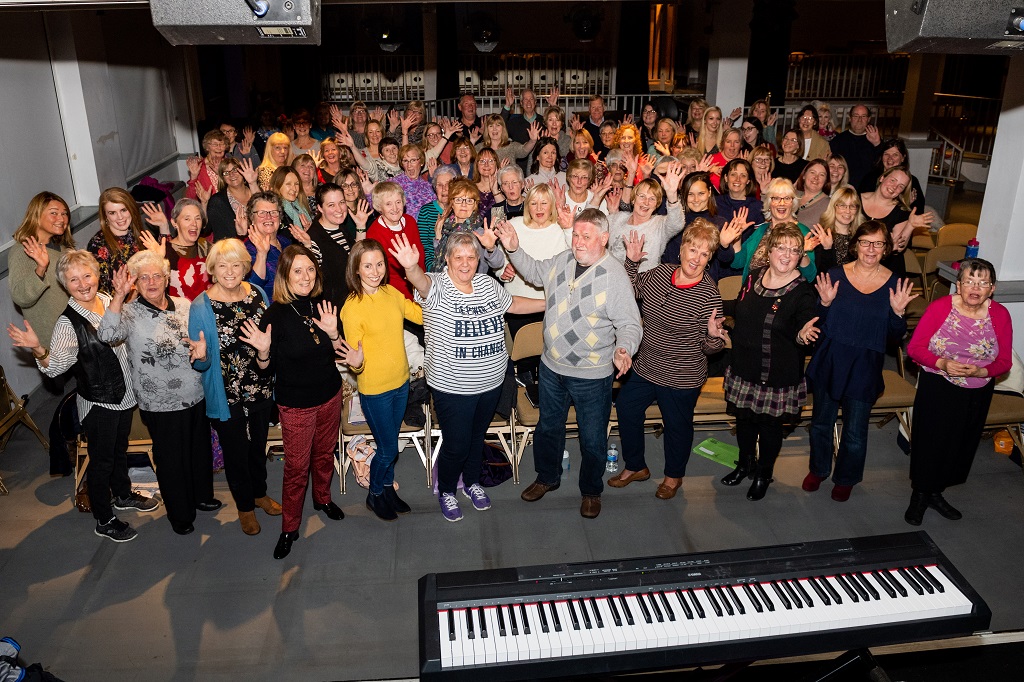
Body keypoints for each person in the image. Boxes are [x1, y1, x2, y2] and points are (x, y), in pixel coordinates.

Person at [494, 209, 643, 519]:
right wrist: (513, 247)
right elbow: (534, 272)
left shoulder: (614, 276)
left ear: (604, 239)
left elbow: (630, 323)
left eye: (586, 237)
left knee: (592, 438)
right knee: (548, 428)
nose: (578, 242)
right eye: (575, 235)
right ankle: (547, 477)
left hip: (592, 375)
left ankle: (590, 490)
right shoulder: (563, 260)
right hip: (551, 368)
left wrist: (624, 349)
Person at [391, 231, 545, 521]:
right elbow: (421, 282)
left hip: (491, 383)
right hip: (452, 388)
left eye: (471, 257)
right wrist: (411, 268)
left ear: (478, 260)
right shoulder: (437, 286)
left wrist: (549, 302)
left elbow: (512, 305)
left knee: (476, 439)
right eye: (458, 257)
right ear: (447, 259)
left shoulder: (487, 284)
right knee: (456, 444)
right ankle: (448, 489)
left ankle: (472, 482)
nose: (465, 263)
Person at [8, 250, 157, 543]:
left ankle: (124, 495)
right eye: (73, 279)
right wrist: (40, 350)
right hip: (99, 403)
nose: (82, 283)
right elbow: (57, 369)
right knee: (101, 462)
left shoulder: (105, 300)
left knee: (118, 450)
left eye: (87, 275)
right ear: (65, 285)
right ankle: (104, 519)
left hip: (125, 396)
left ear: (97, 275)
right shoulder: (68, 323)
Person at [97, 251, 217, 535]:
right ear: (135, 283)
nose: (151, 282)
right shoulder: (128, 313)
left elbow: (203, 344)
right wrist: (117, 296)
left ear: (167, 279)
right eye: (144, 277)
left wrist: (203, 353)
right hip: (160, 402)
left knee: (199, 451)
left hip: (195, 393)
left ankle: (201, 496)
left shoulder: (186, 305)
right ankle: (181, 516)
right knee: (172, 461)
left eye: (157, 276)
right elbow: (107, 335)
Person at [608, 220, 728, 499]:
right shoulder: (661, 274)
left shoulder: (709, 295)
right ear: (682, 249)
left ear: (709, 258)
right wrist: (632, 261)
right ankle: (636, 466)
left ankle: (674, 476)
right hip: (647, 364)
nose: (696, 258)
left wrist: (713, 336)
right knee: (626, 408)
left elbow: (711, 349)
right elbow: (631, 290)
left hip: (681, 375)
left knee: (677, 426)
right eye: (692, 249)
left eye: (703, 253)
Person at [803, 221, 918, 501]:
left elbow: (894, 338)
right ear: (856, 245)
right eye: (866, 242)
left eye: (878, 243)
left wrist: (898, 314)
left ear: (886, 248)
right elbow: (819, 324)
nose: (871, 249)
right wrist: (825, 304)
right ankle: (818, 469)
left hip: (865, 363)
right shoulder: (834, 275)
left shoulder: (894, 284)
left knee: (855, 430)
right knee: (820, 422)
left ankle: (846, 477)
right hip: (831, 358)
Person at [252, 245, 346, 559]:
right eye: (297, 271)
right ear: (285, 276)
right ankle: (290, 527)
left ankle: (322, 498)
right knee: (295, 468)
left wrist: (334, 334)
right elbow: (262, 369)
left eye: (309, 269)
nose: (305, 277)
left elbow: (339, 349)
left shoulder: (324, 304)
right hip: (296, 406)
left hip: (330, 396)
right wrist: (264, 354)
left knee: (324, 455)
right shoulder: (275, 314)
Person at [904, 258, 1013, 525]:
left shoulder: (1000, 315)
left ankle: (936, 493)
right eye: (968, 281)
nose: (975, 288)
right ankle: (919, 495)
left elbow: (1004, 362)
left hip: (976, 391)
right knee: (929, 442)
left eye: (982, 282)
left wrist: (980, 372)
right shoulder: (940, 307)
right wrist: (942, 363)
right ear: (958, 284)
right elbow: (915, 349)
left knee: (958, 444)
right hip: (938, 385)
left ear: (992, 288)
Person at [189, 238, 281, 535]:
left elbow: (268, 337)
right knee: (236, 451)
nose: (230, 271)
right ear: (212, 270)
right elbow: (200, 363)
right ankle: (244, 508)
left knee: (257, 447)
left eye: (236, 265)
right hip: (226, 393)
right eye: (222, 266)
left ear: (245, 267)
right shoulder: (201, 306)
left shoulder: (255, 293)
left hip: (259, 385)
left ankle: (259, 493)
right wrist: (200, 358)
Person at [720, 223, 819, 500]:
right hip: (744, 367)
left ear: (801, 255)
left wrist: (803, 334)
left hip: (776, 374)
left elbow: (804, 328)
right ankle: (744, 464)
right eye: (781, 247)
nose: (787, 255)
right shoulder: (753, 277)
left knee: (770, 427)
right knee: (745, 422)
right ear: (770, 249)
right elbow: (739, 311)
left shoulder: (802, 291)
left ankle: (763, 473)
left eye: (794, 250)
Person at [337, 239, 423, 521]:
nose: (375, 271)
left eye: (379, 264)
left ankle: (387, 488)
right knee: (386, 449)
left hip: (401, 383)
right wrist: (357, 364)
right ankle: (375, 494)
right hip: (375, 391)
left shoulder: (392, 294)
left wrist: (443, 300)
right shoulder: (352, 308)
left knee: (390, 443)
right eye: (367, 266)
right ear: (356, 270)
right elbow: (356, 360)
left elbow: (420, 316)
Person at [9, 192, 76, 350]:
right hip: (54, 343)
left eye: (64, 213)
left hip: (80, 334)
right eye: (53, 213)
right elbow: (20, 297)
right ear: (36, 215)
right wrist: (41, 268)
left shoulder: (65, 250)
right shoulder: (22, 250)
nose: (61, 218)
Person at [721, 177, 816, 282]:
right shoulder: (762, 230)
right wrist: (737, 236)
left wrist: (802, 253)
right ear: (769, 203)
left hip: (783, 296)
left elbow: (810, 276)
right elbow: (737, 263)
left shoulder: (802, 232)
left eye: (787, 198)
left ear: (793, 204)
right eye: (776, 198)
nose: (782, 203)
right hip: (751, 292)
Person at [607, 168, 685, 271]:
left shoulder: (659, 224)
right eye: (642, 196)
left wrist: (671, 195)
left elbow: (677, 224)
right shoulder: (617, 218)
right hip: (610, 281)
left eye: (652, 199)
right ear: (633, 199)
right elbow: (592, 231)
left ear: (657, 204)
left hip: (642, 285)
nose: (646, 202)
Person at [860, 166, 933, 275]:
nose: (894, 187)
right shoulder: (855, 200)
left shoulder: (901, 212)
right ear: (882, 178)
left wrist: (910, 225)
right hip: (856, 263)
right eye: (893, 180)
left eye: (901, 186)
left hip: (886, 268)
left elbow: (899, 247)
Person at [87, 187, 159, 295]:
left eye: (123, 210)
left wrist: (163, 228)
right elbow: (103, 293)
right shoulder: (98, 245)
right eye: (112, 213)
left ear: (131, 209)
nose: (120, 217)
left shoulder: (138, 234)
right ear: (105, 216)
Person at [307, 182, 366, 308]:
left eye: (342, 202)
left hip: (354, 302)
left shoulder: (341, 228)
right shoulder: (313, 238)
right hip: (334, 310)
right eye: (331, 205)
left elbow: (357, 257)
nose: (339, 209)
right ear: (320, 208)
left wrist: (361, 227)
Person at [365, 181, 426, 300]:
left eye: (398, 202)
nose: (395, 208)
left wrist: (421, 282)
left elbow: (420, 254)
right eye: (388, 204)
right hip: (394, 293)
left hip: (420, 283)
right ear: (379, 207)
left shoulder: (410, 221)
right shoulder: (374, 233)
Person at [858, 138, 926, 214]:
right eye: (886, 154)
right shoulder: (870, 177)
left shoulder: (912, 181)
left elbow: (918, 212)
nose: (890, 159)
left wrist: (906, 204)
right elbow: (858, 204)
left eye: (895, 155)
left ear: (903, 158)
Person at [244, 191, 294, 292]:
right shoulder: (246, 250)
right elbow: (252, 288)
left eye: (273, 212)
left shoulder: (286, 242)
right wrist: (261, 255)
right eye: (262, 213)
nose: (268, 217)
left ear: (280, 218)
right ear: (252, 219)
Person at [808, 187, 865, 273]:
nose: (848, 211)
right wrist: (827, 249)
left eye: (852, 206)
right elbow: (819, 274)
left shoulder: (862, 236)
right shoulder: (821, 234)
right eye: (842, 205)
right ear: (833, 207)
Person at [206, 157, 261, 242]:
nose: (231, 174)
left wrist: (253, 183)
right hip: (232, 250)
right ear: (223, 178)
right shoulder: (217, 201)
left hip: (261, 242)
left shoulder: (256, 190)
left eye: (235, 170)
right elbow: (209, 231)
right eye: (226, 173)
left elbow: (265, 211)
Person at [828, 104, 881, 188]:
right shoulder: (838, 140)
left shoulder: (875, 141)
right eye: (856, 116)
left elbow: (882, 166)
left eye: (863, 116)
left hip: (867, 191)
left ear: (868, 119)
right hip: (842, 189)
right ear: (850, 118)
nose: (859, 120)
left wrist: (877, 144)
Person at [416, 168, 456, 270]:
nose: (444, 188)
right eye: (439, 185)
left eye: (448, 184)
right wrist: (433, 269)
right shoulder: (426, 211)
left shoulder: (461, 209)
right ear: (435, 188)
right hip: (434, 266)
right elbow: (425, 247)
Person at [186, 130, 230, 201]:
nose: (219, 147)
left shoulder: (230, 163)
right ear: (207, 147)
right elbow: (190, 199)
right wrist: (193, 177)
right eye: (215, 144)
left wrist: (221, 174)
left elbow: (237, 190)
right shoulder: (199, 167)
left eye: (222, 144)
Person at [793, 159, 831, 228]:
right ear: (804, 175)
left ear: (826, 181)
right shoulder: (791, 195)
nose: (816, 177)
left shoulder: (829, 205)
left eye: (821, 175)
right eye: (812, 172)